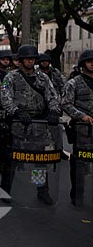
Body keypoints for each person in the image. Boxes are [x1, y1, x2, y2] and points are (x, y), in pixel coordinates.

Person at [1, 44, 60, 205]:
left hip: (39, 124)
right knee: (12, 160)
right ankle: (5, 191)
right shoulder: (11, 77)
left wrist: (54, 111)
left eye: (32, 58)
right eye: (27, 58)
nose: (30, 61)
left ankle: (42, 191)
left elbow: (52, 96)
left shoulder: (43, 77)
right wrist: (16, 111)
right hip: (19, 124)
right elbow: (5, 97)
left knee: (39, 160)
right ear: (20, 60)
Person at [61, 50, 93, 206]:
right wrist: (82, 116)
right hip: (82, 129)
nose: (92, 63)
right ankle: (77, 196)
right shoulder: (74, 83)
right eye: (89, 61)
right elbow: (65, 103)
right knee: (80, 162)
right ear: (83, 64)